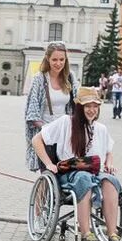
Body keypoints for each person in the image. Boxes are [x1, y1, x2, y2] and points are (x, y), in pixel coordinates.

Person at [31, 87, 122, 241]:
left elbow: (109, 151)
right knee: (83, 178)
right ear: (79, 107)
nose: (92, 110)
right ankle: (86, 234)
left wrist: (109, 162)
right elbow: (36, 140)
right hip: (70, 173)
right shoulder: (66, 122)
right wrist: (48, 164)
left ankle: (113, 234)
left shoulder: (100, 129)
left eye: (95, 106)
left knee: (111, 180)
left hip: (96, 172)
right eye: (88, 106)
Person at [24, 42, 79, 172]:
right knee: (50, 173)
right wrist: (47, 128)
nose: (58, 63)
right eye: (54, 59)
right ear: (47, 59)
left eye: (62, 59)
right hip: (46, 133)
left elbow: (78, 101)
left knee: (68, 173)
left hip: (65, 132)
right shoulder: (40, 79)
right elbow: (32, 112)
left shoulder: (70, 77)